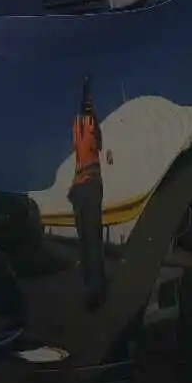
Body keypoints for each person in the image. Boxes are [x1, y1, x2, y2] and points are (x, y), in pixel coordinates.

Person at [68, 77, 112, 308]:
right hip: (82, 184)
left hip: (90, 183)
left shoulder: (91, 127)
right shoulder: (80, 127)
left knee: (91, 240)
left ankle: (96, 289)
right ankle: (91, 286)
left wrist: (89, 107)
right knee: (86, 239)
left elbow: (98, 142)